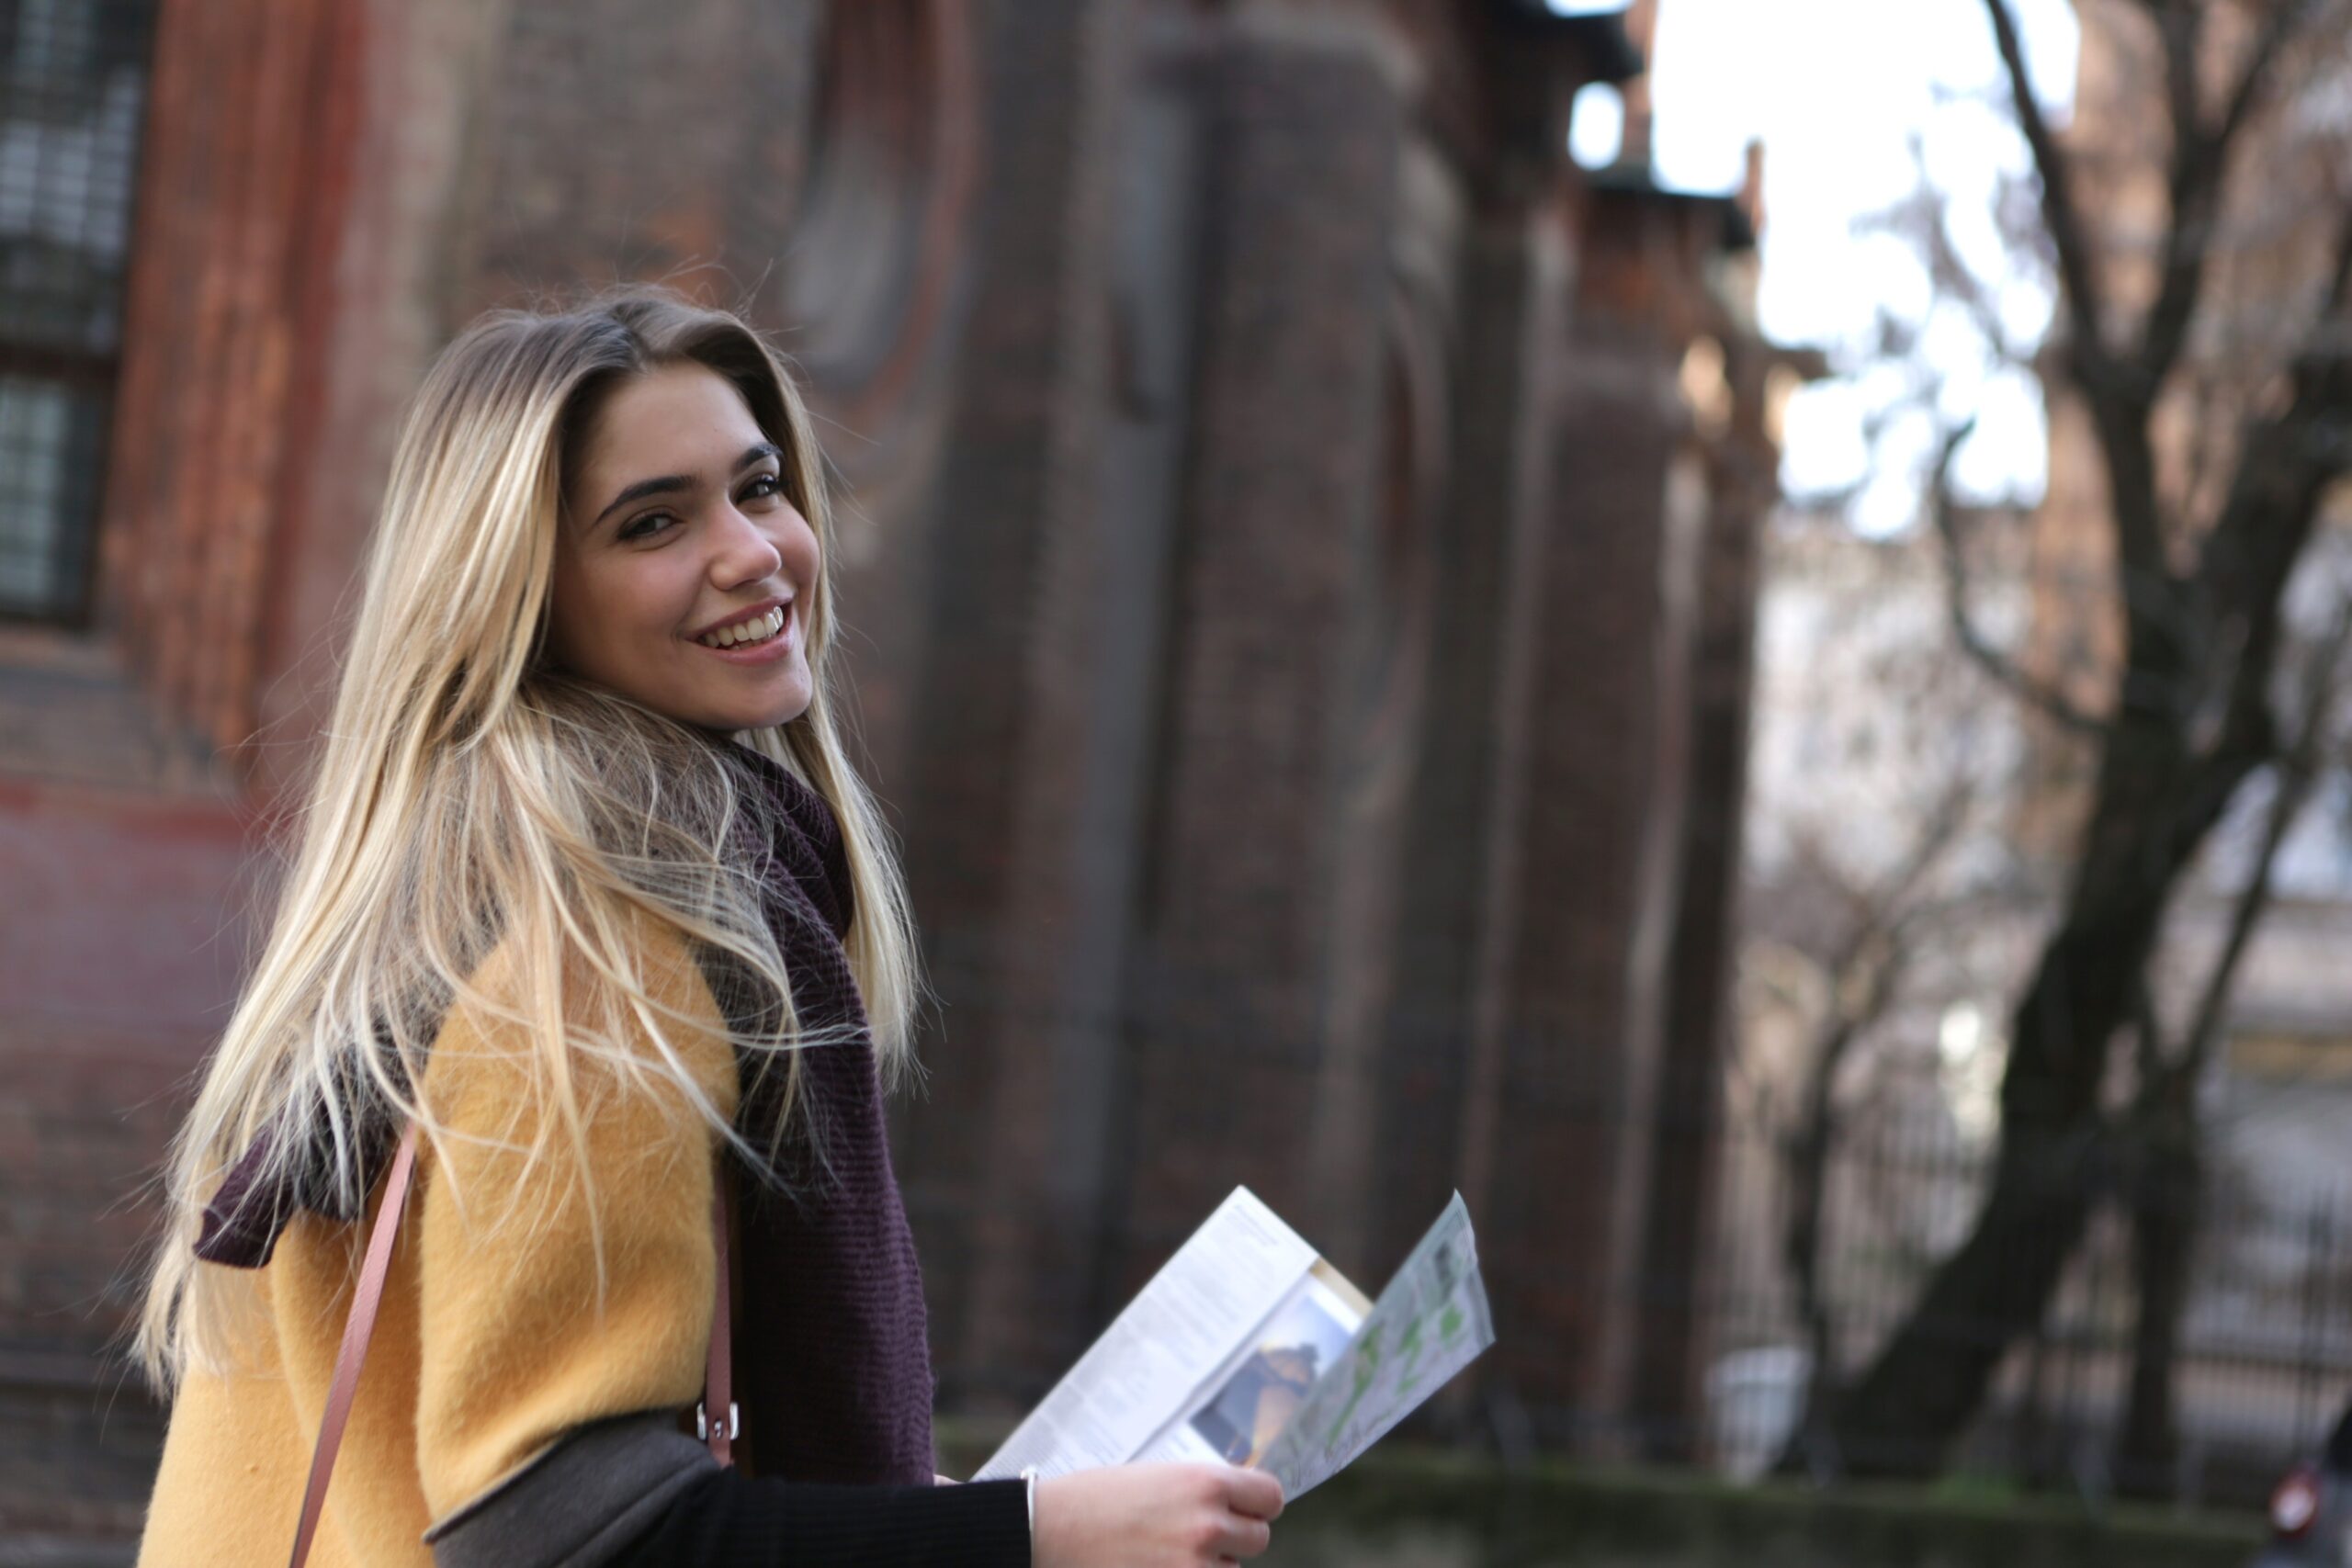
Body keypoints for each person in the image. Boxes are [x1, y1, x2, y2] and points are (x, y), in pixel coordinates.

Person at [130, 287, 1285, 1568]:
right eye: (654, 523)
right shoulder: (602, 950)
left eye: (760, 486)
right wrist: (1028, 1540)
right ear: (523, 596)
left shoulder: (457, 903)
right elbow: (559, 1531)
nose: (752, 552)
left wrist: (935, 1512)